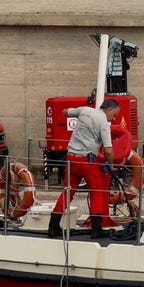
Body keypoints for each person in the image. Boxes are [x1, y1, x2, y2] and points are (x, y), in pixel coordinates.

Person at [48, 99, 121, 240]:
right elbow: (108, 150)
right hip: (87, 161)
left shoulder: (84, 110)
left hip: (70, 159)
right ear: (109, 110)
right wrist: (111, 165)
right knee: (97, 192)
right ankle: (96, 229)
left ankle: (53, 227)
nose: (114, 118)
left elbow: (66, 112)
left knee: (67, 192)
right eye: (114, 115)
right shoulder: (104, 123)